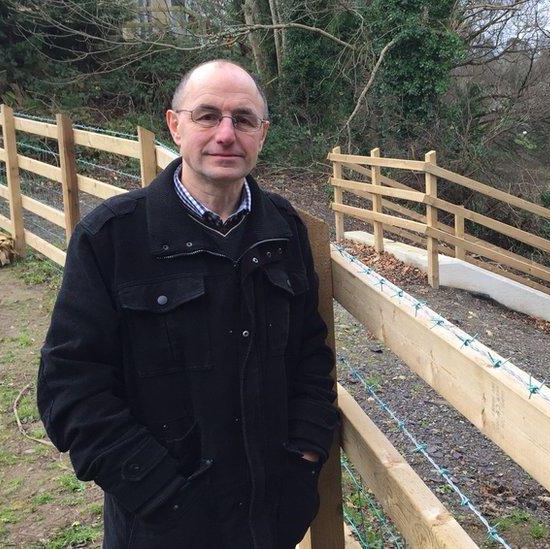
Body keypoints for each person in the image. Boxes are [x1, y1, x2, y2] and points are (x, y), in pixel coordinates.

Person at [37, 59, 339, 548]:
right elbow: (71, 387)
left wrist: (304, 458)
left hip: (271, 519)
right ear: (174, 125)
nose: (226, 134)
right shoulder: (114, 237)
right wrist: (162, 496)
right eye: (206, 116)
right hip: (161, 527)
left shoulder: (284, 229)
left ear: (262, 133)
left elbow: (309, 353)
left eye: (243, 119)